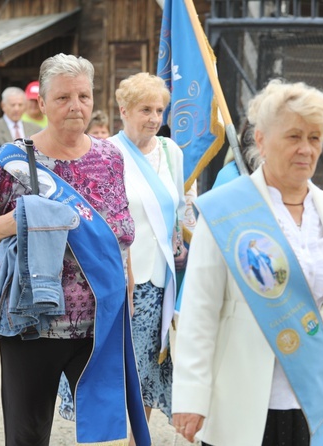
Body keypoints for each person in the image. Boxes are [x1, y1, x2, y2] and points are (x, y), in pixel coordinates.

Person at [0, 53, 149, 446]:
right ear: (42, 104)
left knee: (107, 431)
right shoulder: (12, 162)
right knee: (27, 436)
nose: (75, 106)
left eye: (83, 96)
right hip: (33, 324)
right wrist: (20, 220)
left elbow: (121, 235)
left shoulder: (110, 158)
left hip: (102, 323)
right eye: (63, 98)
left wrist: (128, 293)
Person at [172, 79, 323, 445]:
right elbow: (200, 311)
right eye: (293, 136)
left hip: (315, 403)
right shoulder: (225, 209)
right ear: (260, 140)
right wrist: (190, 397)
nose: (306, 149)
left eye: (314, 137)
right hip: (241, 402)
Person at [108, 72, 188, 431]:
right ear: (123, 110)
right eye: (146, 110)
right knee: (117, 365)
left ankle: (135, 439)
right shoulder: (107, 152)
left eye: (159, 110)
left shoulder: (173, 152)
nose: (155, 118)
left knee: (148, 363)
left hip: (160, 278)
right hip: (120, 278)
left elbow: (181, 207)